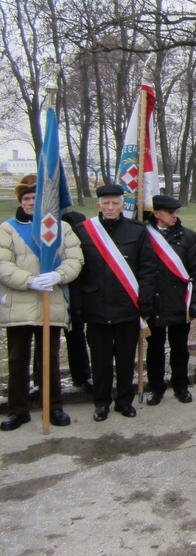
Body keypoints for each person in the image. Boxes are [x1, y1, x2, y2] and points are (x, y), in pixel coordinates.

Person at [0, 175, 84, 431]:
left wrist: (59, 275)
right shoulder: (7, 228)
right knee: (17, 360)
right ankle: (18, 409)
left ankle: (54, 406)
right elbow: (3, 265)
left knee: (50, 359)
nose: (29, 202)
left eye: (34, 199)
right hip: (20, 303)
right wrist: (30, 281)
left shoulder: (62, 228)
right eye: (25, 198)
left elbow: (74, 259)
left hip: (52, 302)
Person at [72, 184, 158, 421]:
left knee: (125, 358)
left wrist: (146, 302)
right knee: (99, 360)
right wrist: (78, 304)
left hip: (127, 306)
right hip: (95, 306)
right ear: (98, 205)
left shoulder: (137, 230)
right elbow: (78, 272)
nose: (110, 208)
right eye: (105, 203)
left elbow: (148, 269)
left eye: (115, 203)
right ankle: (101, 402)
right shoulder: (84, 231)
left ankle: (124, 401)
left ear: (123, 205)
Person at [144, 195, 196, 405]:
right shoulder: (144, 235)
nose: (174, 216)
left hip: (179, 301)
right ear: (156, 213)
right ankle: (156, 388)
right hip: (154, 302)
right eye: (170, 212)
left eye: (176, 212)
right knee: (154, 349)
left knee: (179, 348)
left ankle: (181, 386)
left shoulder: (188, 236)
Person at [61, 210, 92, 391]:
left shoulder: (81, 227)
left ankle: (82, 376)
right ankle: (39, 380)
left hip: (76, 288)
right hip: (51, 287)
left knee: (76, 334)